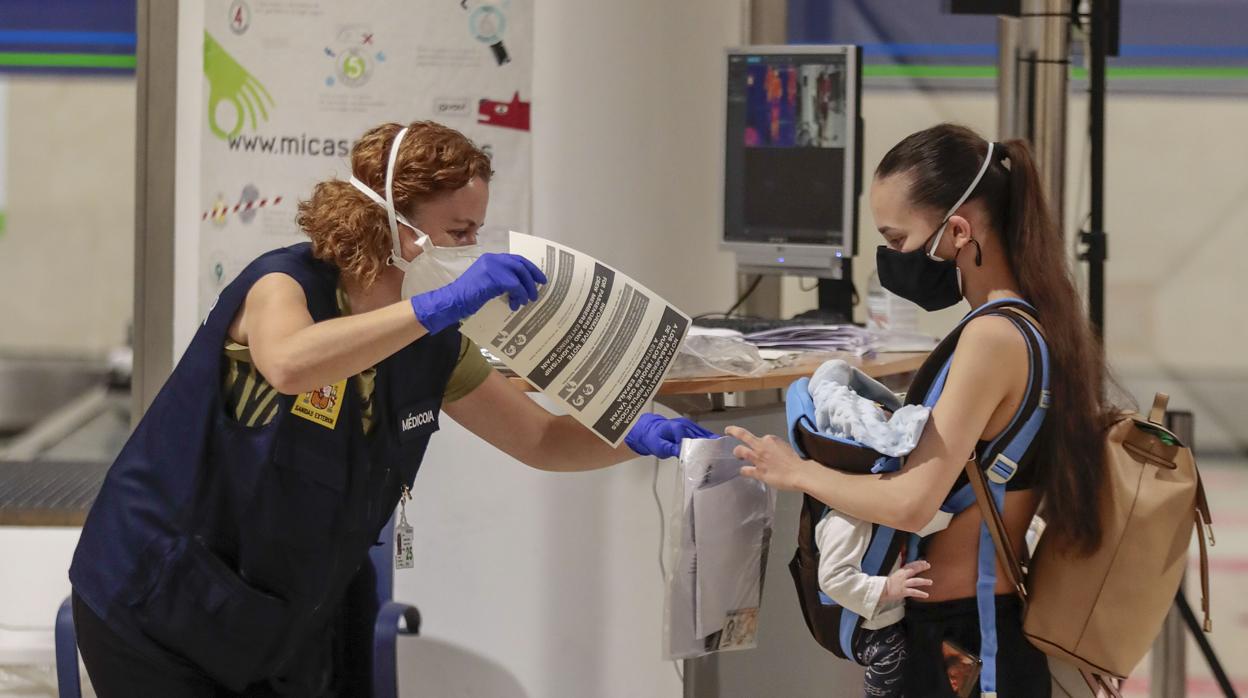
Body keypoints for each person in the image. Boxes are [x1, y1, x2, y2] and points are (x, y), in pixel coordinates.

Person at [69, 120, 711, 697]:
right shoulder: (284, 285)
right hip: (154, 599)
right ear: (391, 222)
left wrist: (634, 434)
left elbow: (538, 439)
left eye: (476, 232)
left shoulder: (434, 346)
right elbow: (291, 363)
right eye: (458, 232)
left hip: (271, 614)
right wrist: (435, 307)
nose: (470, 248)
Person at [728, 123, 1115, 696]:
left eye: (898, 239)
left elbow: (912, 503)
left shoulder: (993, 338)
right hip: (973, 636)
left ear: (958, 231)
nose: (894, 258)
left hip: (961, 649)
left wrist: (797, 471)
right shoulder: (1032, 322)